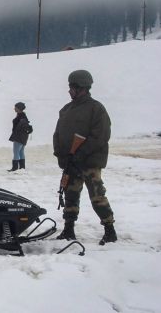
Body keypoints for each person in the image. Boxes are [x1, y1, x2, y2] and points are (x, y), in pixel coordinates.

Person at [53, 70, 117, 244]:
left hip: (89, 162)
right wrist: (61, 155)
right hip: (71, 162)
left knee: (97, 196)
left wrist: (81, 153)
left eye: (71, 87)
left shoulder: (96, 108)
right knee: (70, 195)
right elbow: (58, 134)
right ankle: (68, 229)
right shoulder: (66, 109)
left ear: (81, 87)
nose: (69, 91)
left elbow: (101, 135)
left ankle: (110, 230)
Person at [8, 102, 32, 172]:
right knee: (21, 151)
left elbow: (20, 128)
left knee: (16, 152)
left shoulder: (21, 117)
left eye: (15, 107)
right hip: (23, 137)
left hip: (19, 137)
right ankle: (22, 167)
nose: (14, 108)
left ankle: (15, 168)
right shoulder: (22, 116)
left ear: (19, 108)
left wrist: (15, 135)